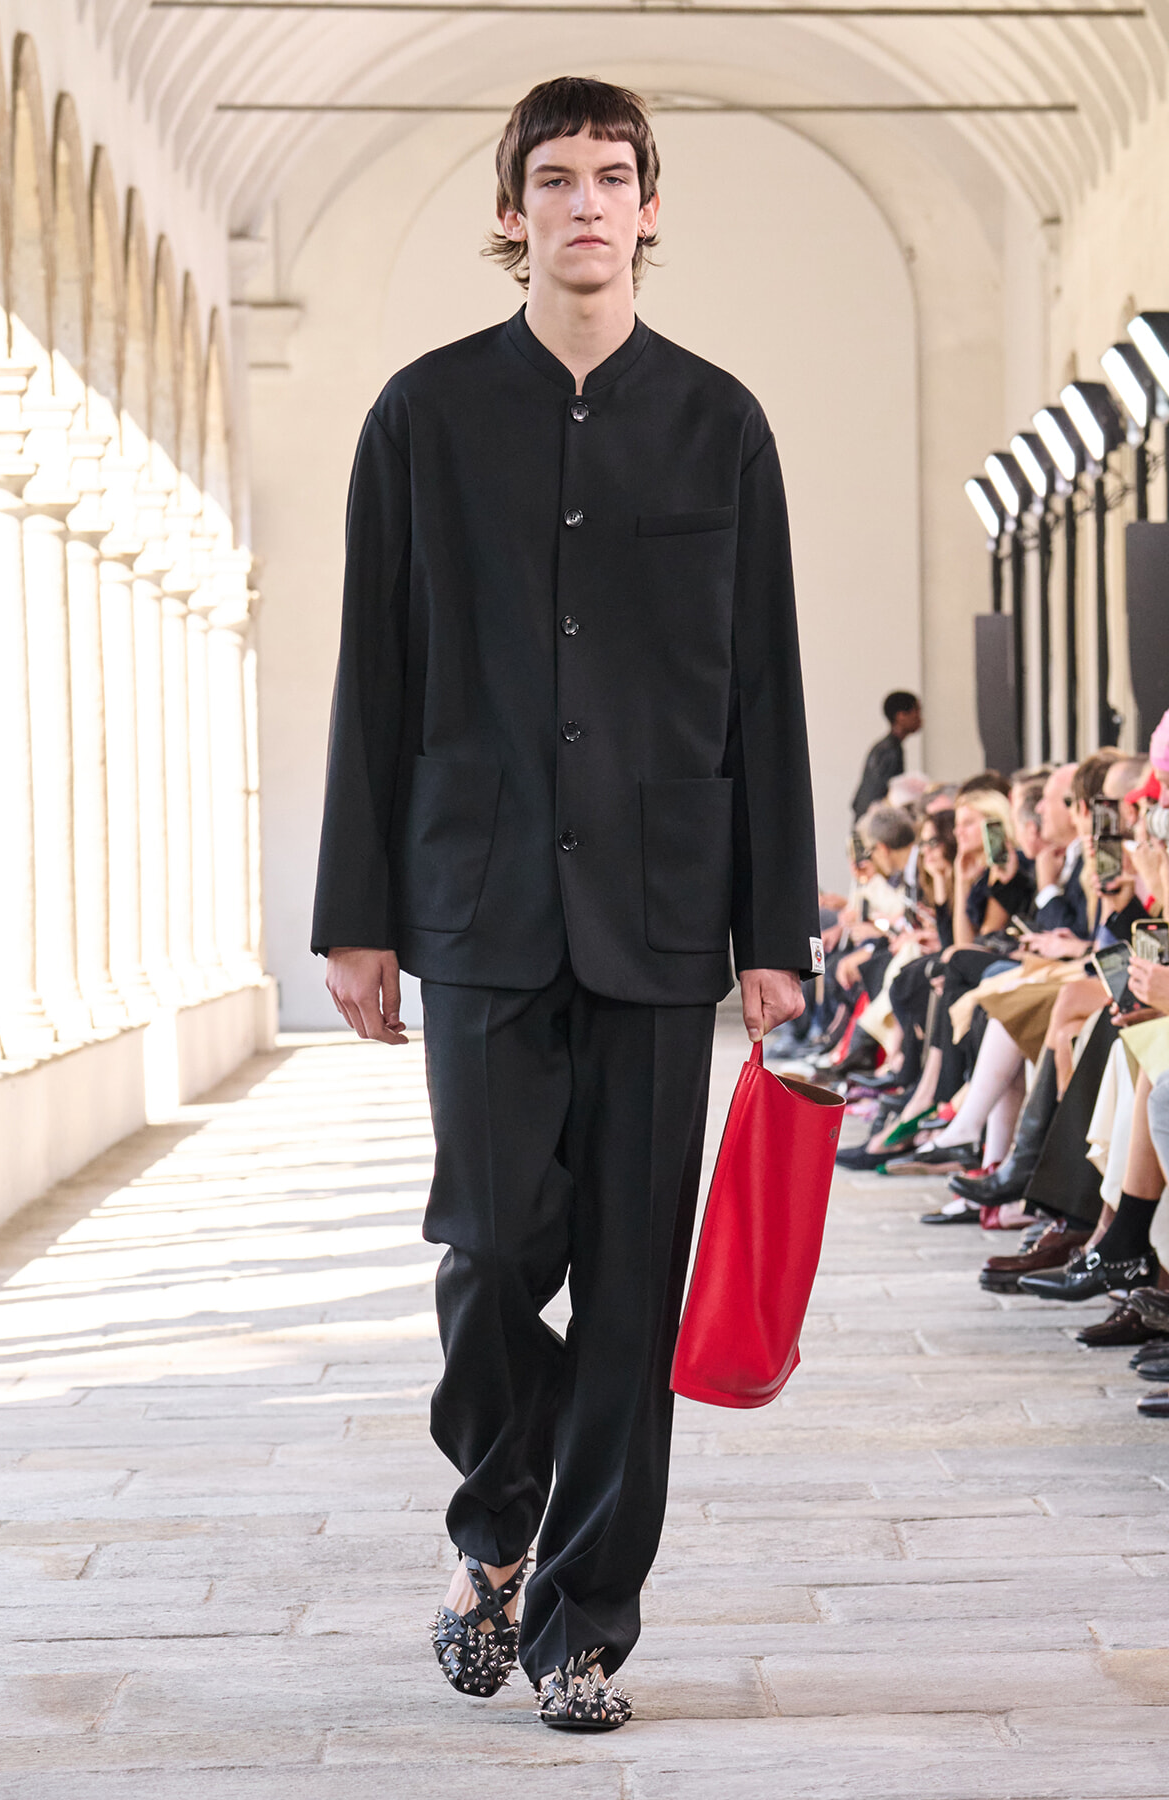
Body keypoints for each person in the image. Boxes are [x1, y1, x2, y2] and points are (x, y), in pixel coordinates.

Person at [310, 76, 820, 1730]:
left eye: (615, 176)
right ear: (514, 209)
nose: (587, 202)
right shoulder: (422, 415)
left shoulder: (723, 423)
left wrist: (778, 937)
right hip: (472, 901)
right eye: (556, 177)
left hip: (668, 915)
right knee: (484, 1248)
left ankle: (585, 1621)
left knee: (626, 1275)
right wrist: (356, 911)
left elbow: (769, 693)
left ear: (650, 208)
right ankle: (494, 1531)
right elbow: (371, 678)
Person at [851, 690, 923, 819]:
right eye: (916, 711)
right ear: (901, 716)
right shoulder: (890, 750)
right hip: (873, 825)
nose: (920, 717)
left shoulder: (885, 747)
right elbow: (877, 795)